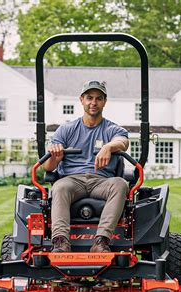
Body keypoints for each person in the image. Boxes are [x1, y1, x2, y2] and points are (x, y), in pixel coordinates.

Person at [43, 80, 129, 253]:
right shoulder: (66, 129)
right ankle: (60, 242)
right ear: (81, 100)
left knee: (121, 184)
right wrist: (55, 155)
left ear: (104, 102)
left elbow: (123, 142)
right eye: (89, 98)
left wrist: (108, 147)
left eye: (98, 98)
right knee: (59, 187)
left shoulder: (112, 129)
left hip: (102, 181)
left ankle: (101, 241)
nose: (93, 102)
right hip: (72, 180)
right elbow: (47, 167)